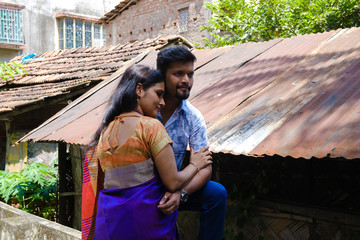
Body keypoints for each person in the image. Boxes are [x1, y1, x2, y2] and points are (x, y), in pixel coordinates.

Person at [81, 64, 212, 240]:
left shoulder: (105, 131)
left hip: (111, 224)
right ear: (140, 90)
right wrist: (196, 163)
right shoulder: (150, 126)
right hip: (144, 225)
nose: (163, 102)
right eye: (159, 94)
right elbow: (173, 182)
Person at [156, 46, 227, 240]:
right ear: (162, 75)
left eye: (190, 74)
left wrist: (182, 193)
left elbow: (205, 167)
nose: (186, 80)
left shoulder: (193, 117)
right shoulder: (147, 109)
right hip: (143, 186)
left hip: (175, 186)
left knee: (217, 194)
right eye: (178, 74)